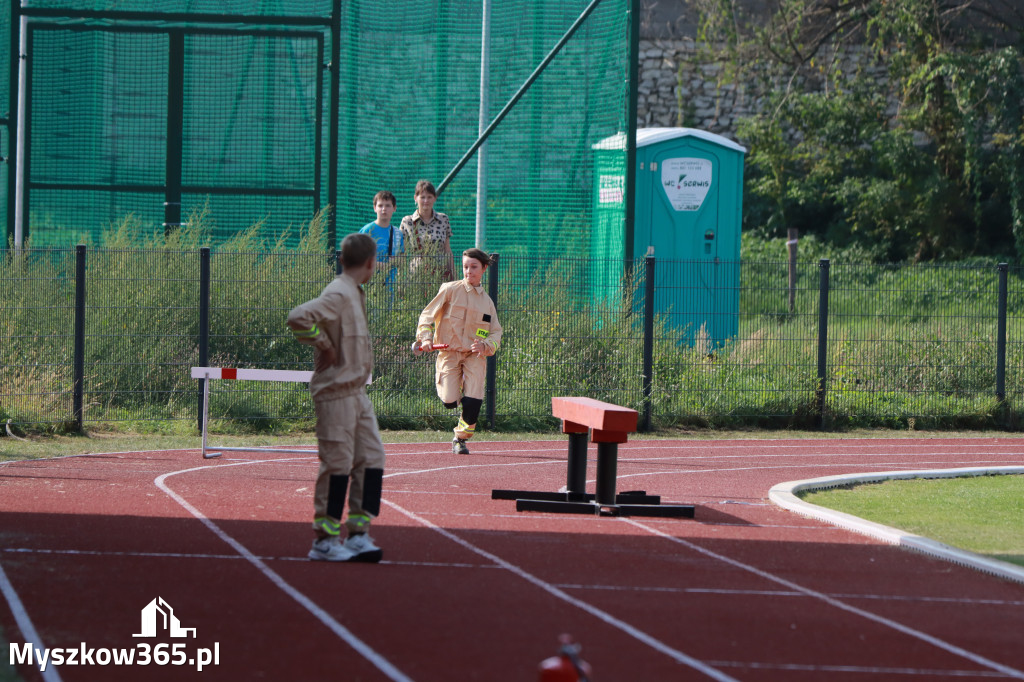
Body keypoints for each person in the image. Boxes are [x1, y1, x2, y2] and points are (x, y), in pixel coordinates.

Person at [287, 232, 386, 562]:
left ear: (343, 259)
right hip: (335, 394)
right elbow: (298, 317)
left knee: (371, 459)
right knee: (338, 465)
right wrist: (324, 344)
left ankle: (359, 533)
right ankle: (325, 540)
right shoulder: (339, 292)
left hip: (357, 392)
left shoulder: (354, 291)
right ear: (371, 263)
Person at [415, 248, 502, 454]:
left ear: (484, 269)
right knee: (449, 401)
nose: (468, 271)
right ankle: (454, 397)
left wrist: (486, 346)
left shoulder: (487, 303)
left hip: (475, 356)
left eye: (474, 267)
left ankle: (460, 438)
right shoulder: (450, 289)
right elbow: (427, 316)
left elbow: (496, 333)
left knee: (473, 402)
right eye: (465, 267)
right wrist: (426, 337)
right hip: (449, 353)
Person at [399, 180, 454, 284]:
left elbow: (447, 250)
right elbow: (402, 252)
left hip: (440, 274)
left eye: (429, 197)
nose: (426, 200)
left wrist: (453, 275)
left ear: (435, 198)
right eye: (422, 197)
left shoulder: (443, 219)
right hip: (417, 274)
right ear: (415, 198)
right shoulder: (407, 221)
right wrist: (400, 278)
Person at [358, 190, 403, 265]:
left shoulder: (397, 233)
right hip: (371, 276)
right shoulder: (367, 231)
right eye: (380, 205)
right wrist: (379, 265)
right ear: (375, 208)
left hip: (392, 276)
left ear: (394, 208)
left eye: (388, 205)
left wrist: (396, 261)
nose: (384, 209)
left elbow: (402, 258)